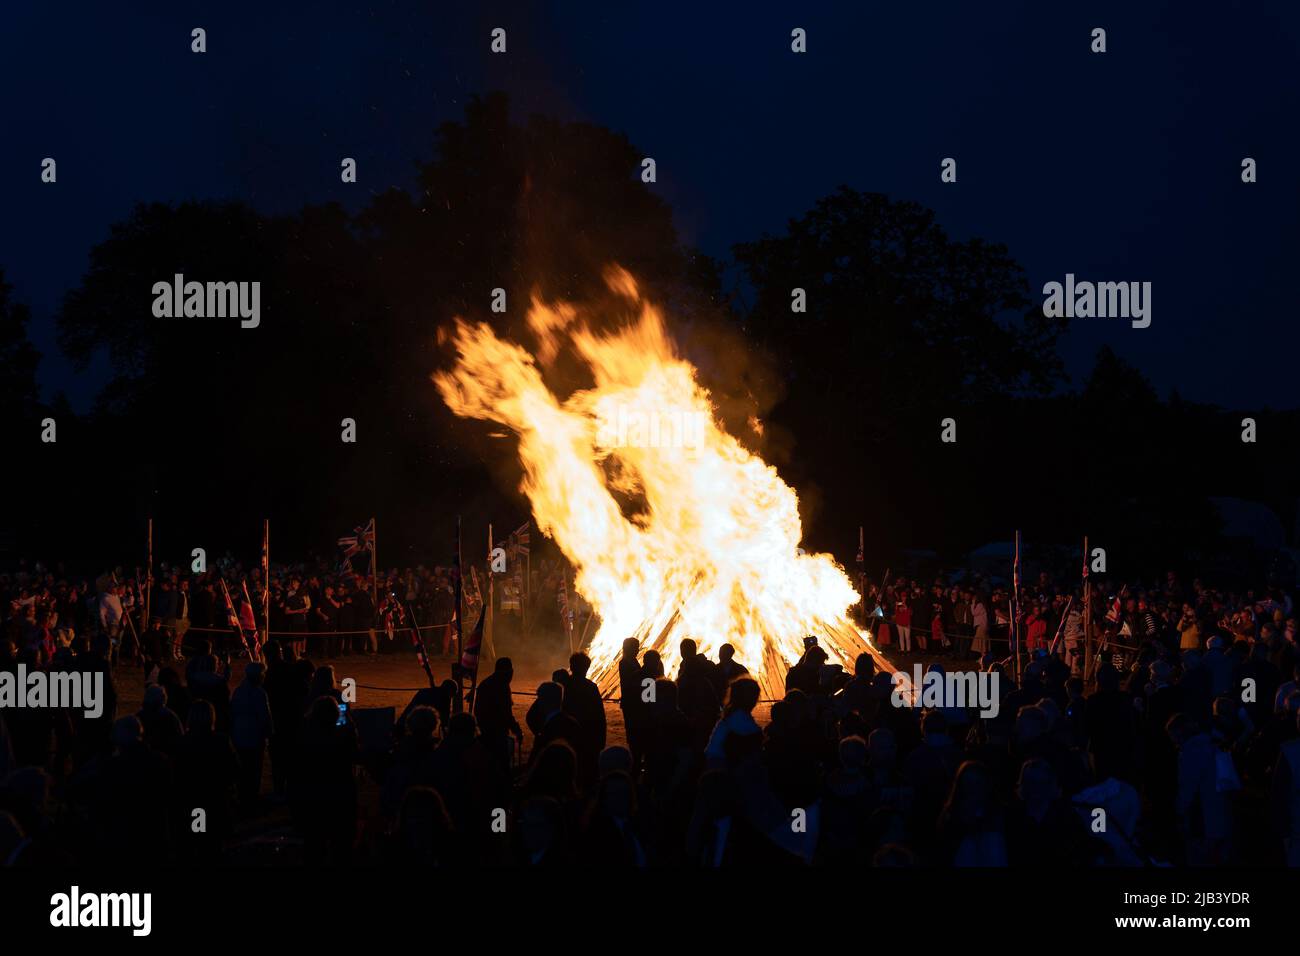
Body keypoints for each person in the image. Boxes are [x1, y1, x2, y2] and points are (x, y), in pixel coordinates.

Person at [231, 662, 274, 808]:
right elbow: (265, 716)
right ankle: (251, 798)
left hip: (240, 735)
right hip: (255, 736)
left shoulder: (238, 691)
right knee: (254, 769)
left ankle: (244, 796)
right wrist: (269, 733)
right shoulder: (259, 693)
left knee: (244, 767)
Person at [473, 657, 524, 770]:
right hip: (496, 731)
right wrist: (516, 729)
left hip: (485, 729)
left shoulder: (488, 683)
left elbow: (477, 710)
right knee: (500, 764)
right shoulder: (501, 685)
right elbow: (506, 713)